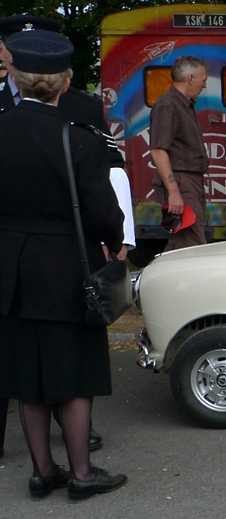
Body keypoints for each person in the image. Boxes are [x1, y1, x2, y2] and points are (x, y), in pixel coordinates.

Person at [0, 29, 128, 499]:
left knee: (27, 378)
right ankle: (81, 474)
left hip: (9, 272)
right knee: (73, 374)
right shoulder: (79, 141)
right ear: (64, 82)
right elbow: (102, 212)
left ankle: (41, 472)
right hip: (64, 268)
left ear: (15, 76)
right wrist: (115, 242)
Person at [148, 55, 209, 251]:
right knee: (192, 244)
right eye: (203, 79)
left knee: (183, 242)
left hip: (189, 182)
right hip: (181, 182)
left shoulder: (184, 104)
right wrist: (174, 191)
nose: (204, 84)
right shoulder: (168, 105)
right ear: (190, 78)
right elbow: (158, 150)